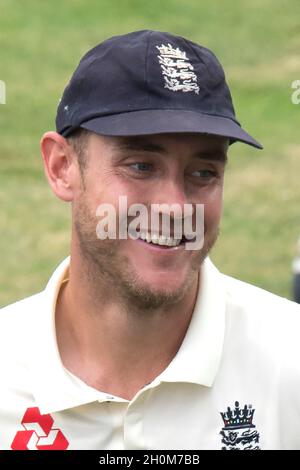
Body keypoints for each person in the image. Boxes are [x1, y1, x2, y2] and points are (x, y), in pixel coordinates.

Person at [1, 30, 300, 451]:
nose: (176, 208)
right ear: (62, 167)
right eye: (141, 166)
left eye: (203, 173)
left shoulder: (291, 361)